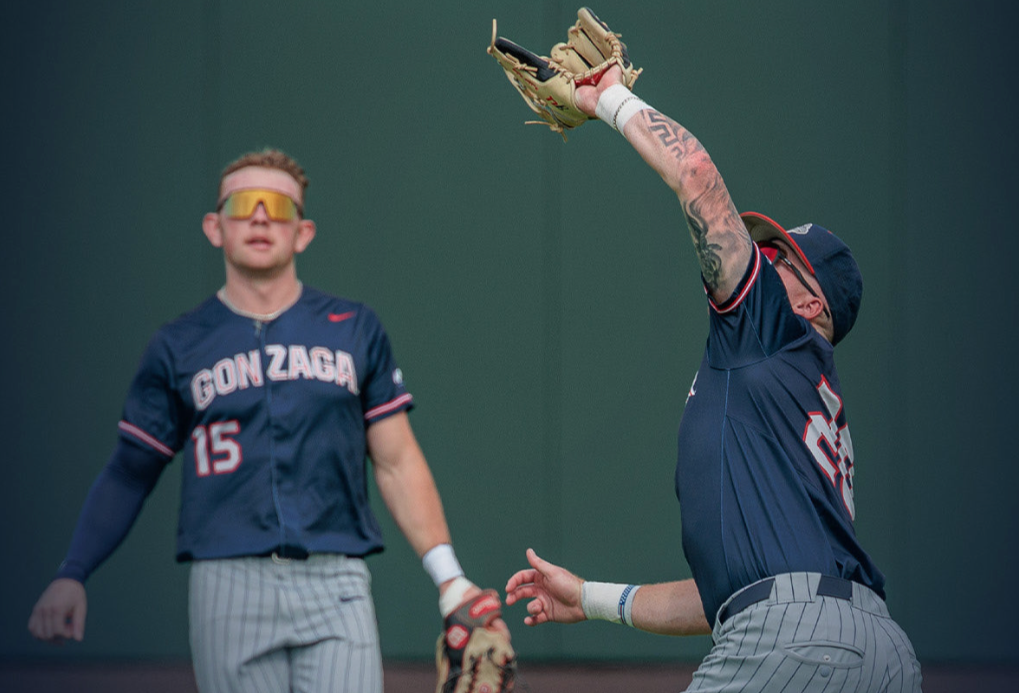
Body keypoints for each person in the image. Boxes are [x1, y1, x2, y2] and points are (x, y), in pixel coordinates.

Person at [504, 65, 922, 692]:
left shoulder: (769, 329)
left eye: (781, 260)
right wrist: (590, 598)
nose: (763, 259)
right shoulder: (796, 404)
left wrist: (608, 96)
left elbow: (696, 175)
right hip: (880, 652)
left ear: (811, 306)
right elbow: (731, 598)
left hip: (797, 646)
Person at [28, 149, 505, 693]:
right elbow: (129, 472)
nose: (259, 216)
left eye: (277, 206)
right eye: (242, 204)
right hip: (228, 584)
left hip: (337, 580)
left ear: (303, 232)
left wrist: (450, 581)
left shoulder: (352, 328)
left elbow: (397, 462)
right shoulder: (179, 345)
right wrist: (73, 572)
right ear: (215, 227)